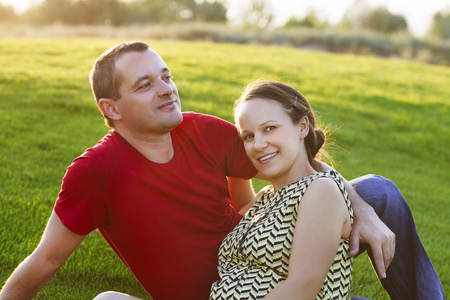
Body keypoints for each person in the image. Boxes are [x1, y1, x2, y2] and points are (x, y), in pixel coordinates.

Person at [0, 41, 444, 300]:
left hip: (263, 255)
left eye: (165, 76)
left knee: (377, 192)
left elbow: (295, 165)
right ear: (110, 108)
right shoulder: (95, 172)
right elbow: (47, 258)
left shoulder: (202, 131)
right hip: (206, 293)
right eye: (145, 84)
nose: (167, 90)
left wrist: (361, 209)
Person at [210, 79, 354, 299]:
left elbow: (301, 288)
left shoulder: (320, 191)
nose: (257, 145)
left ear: (303, 127)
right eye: (248, 136)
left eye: (270, 128)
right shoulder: (265, 198)